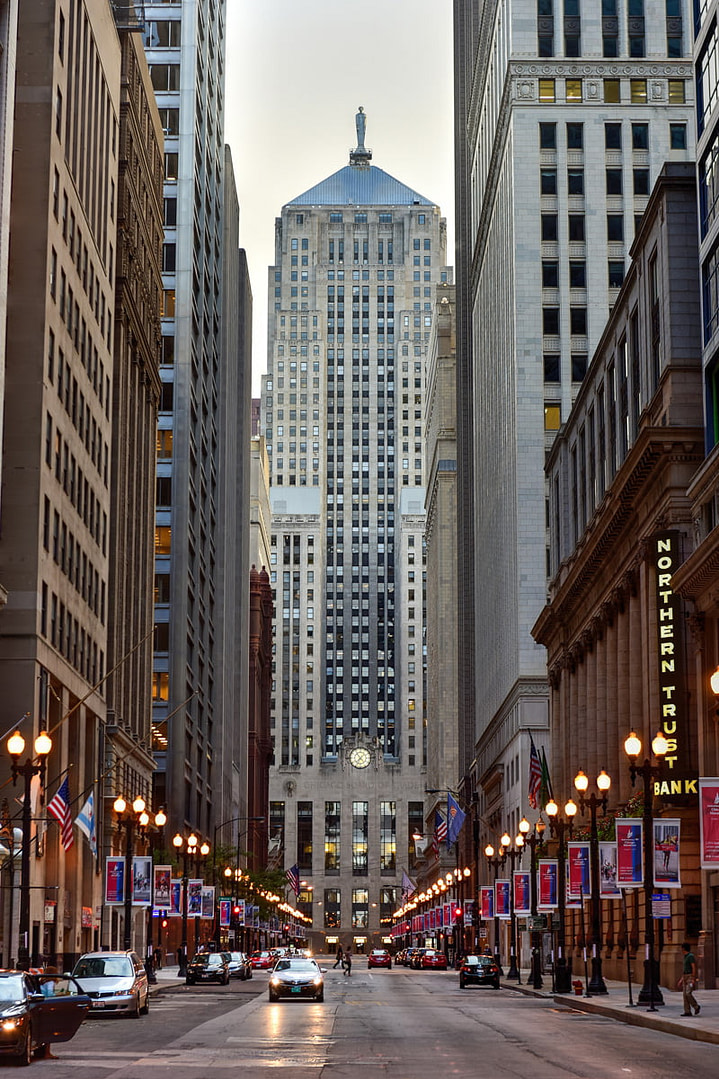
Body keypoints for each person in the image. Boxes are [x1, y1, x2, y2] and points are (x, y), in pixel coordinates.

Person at [678, 941, 700, 1016]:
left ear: (683, 948)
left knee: (688, 993)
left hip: (690, 976)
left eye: (682, 948)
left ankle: (696, 1006)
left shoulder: (690, 956)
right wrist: (681, 980)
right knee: (684, 995)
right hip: (685, 976)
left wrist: (693, 978)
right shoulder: (685, 956)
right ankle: (687, 1011)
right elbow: (684, 969)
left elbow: (693, 967)